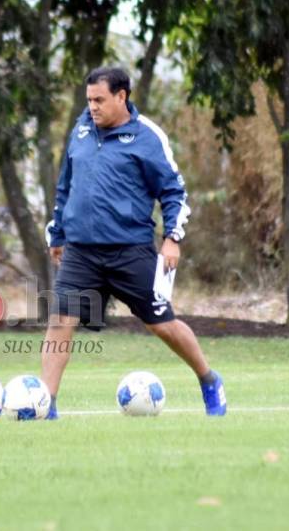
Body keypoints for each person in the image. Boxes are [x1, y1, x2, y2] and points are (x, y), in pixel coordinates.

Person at [43, 66, 226, 419]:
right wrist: (59, 234)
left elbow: (174, 192)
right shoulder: (81, 130)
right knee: (60, 320)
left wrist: (172, 239)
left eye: (99, 100)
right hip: (81, 251)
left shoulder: (146, 136)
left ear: (121, 96)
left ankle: (208, 379)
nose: (92, 107)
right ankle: (46, 403)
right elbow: (66, 186)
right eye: (88, 100)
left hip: (130, 250)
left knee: (162, 324)